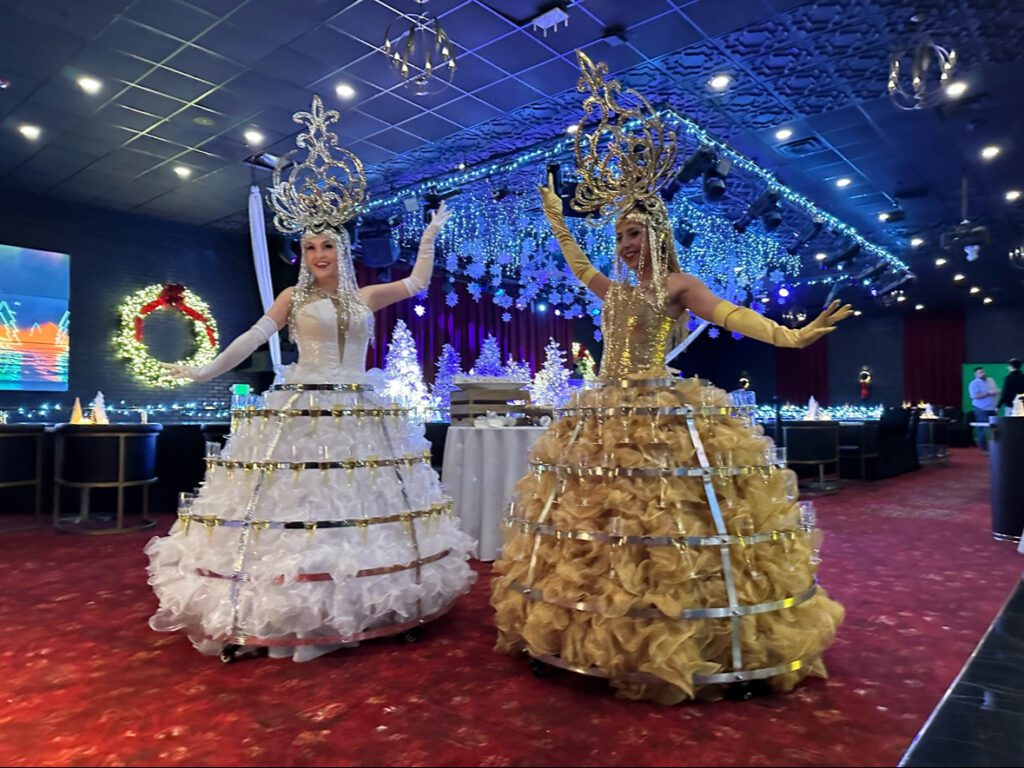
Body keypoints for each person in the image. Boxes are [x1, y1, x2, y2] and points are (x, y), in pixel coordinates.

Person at [491, 52, 848, 704]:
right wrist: (556, 221)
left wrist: (792, 336)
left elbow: (730, 314)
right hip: (604, 411)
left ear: (657, 234)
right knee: (598, 525)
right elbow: (579, 268)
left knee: (671, 520)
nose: (625, 244)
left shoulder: (679, 284)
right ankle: (589, 629)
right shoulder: (613, 290)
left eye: (634, 233)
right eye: (620, 235)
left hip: (660, 407)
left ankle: (690, 638)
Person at [145, 96, 475, 662]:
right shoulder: (292, 297)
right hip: (302, 409)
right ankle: (288, 605)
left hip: (361, 412)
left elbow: (419, 283)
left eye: (327, 245)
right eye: (310, 247)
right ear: (303, 254)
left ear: (342, 250)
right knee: (297, 501)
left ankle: (366, 598)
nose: (318, 253)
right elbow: (253, 338)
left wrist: (429, 233)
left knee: (360, 502)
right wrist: (203, 369)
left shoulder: (366, 295)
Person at [968, 366, 999, 451]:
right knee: (983, 430)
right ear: (975, 374)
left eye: (983, 372)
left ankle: (994, 447)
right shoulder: (973, 384)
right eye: (980, 372)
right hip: (981, 409)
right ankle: (983, 448)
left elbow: (996, 390)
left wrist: (997, 392)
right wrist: (987, 393)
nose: (983, 373)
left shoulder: (991, 380)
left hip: (992, 408)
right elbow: (974, 396)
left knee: (994, 428)